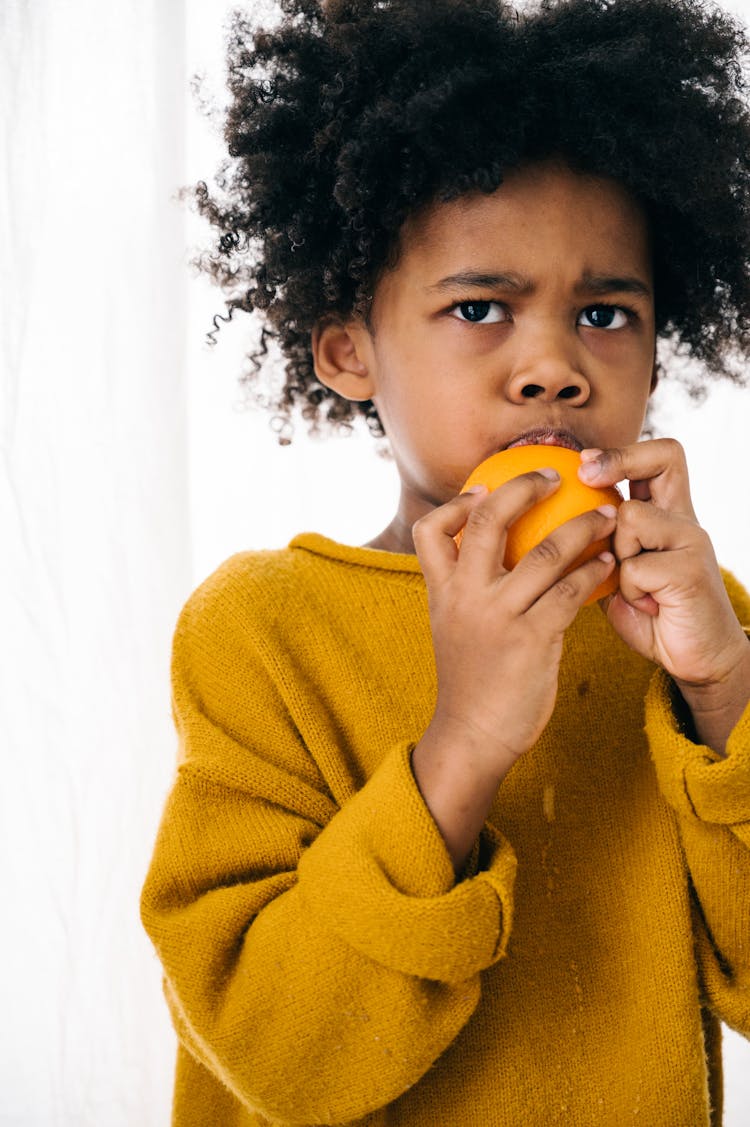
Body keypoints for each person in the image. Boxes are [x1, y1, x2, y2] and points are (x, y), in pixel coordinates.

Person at [141, 1, 750, 1123]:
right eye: (481, 306)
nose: (554, 367)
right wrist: (463, 744)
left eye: (606, 312)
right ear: (349, 349)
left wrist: (724, 696)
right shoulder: (263, 631)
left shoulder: (697, 622)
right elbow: (279, 1059)